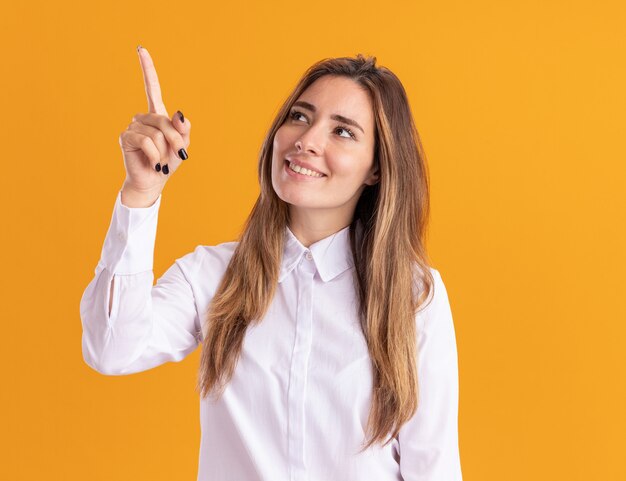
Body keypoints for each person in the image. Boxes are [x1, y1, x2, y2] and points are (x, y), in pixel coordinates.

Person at [80, 45, 463, 481]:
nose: (307, 140)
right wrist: (141, 192)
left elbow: (433, 467)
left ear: (376, 168)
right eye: (300, 116)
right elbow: (111, 349)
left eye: (343, 132)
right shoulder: (213, 275)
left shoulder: (414, 296)